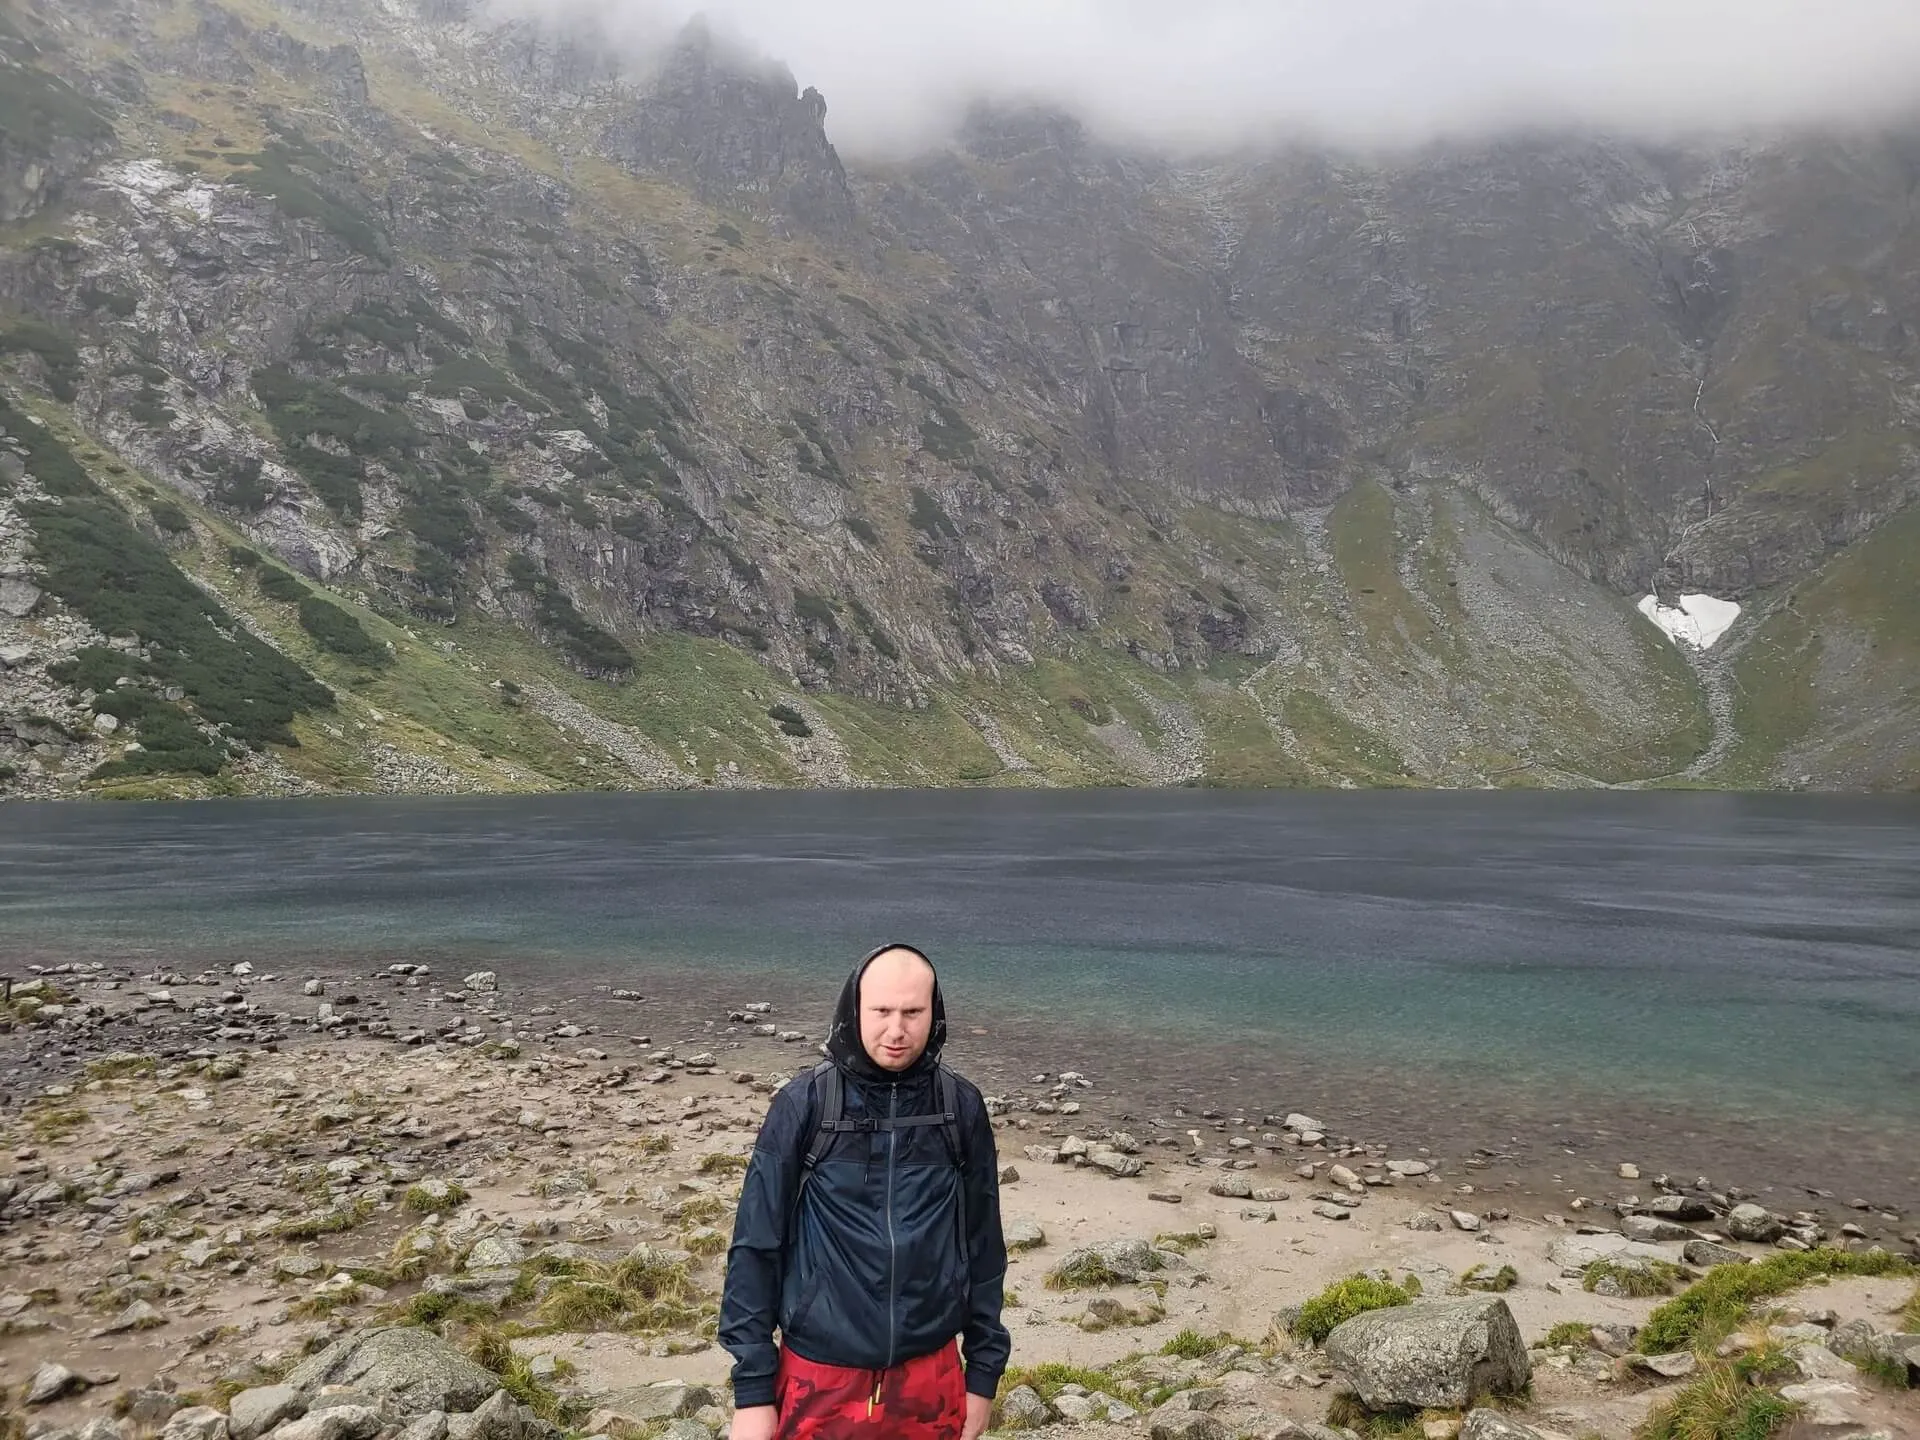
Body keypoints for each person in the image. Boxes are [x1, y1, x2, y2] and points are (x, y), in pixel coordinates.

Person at [720, 943, 1010, 1440]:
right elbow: (755, 1246)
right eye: (881, 1011)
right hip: (819, 1375)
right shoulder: (804, 1105)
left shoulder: (959, 1107)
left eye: (913, 1012)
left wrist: (981, 1377)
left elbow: (984, 1247)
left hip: (930, 1377)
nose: (896, 1030)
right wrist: (752, 1392)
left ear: (934, 1013)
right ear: (854, 1009)